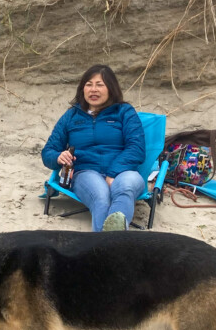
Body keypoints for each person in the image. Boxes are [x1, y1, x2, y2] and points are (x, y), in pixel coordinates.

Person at [41, 64, 145, 231]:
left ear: (111, 88)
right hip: (86, 172)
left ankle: (102, 245)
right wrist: (58, 157)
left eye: (99, 85)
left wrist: (112, 173)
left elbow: (137, 148)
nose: (93, 90)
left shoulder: (124, 112)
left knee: (125, 187)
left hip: (123, 171)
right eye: (88, 84)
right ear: (82, 89)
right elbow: (48, 152)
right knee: (101, 196)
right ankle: (114, 242)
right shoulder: (71, 116)